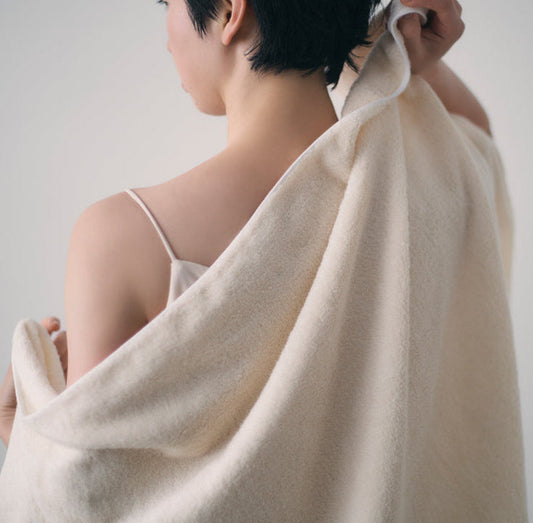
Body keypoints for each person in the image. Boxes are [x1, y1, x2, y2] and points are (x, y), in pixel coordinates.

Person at [0, 0, 486, 448]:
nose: (167, 38)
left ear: (231, 11)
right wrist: (395, 50)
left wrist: (16, 436)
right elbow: (477, 141)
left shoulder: (120, 237)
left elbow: (88, 490)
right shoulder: (421, 191)